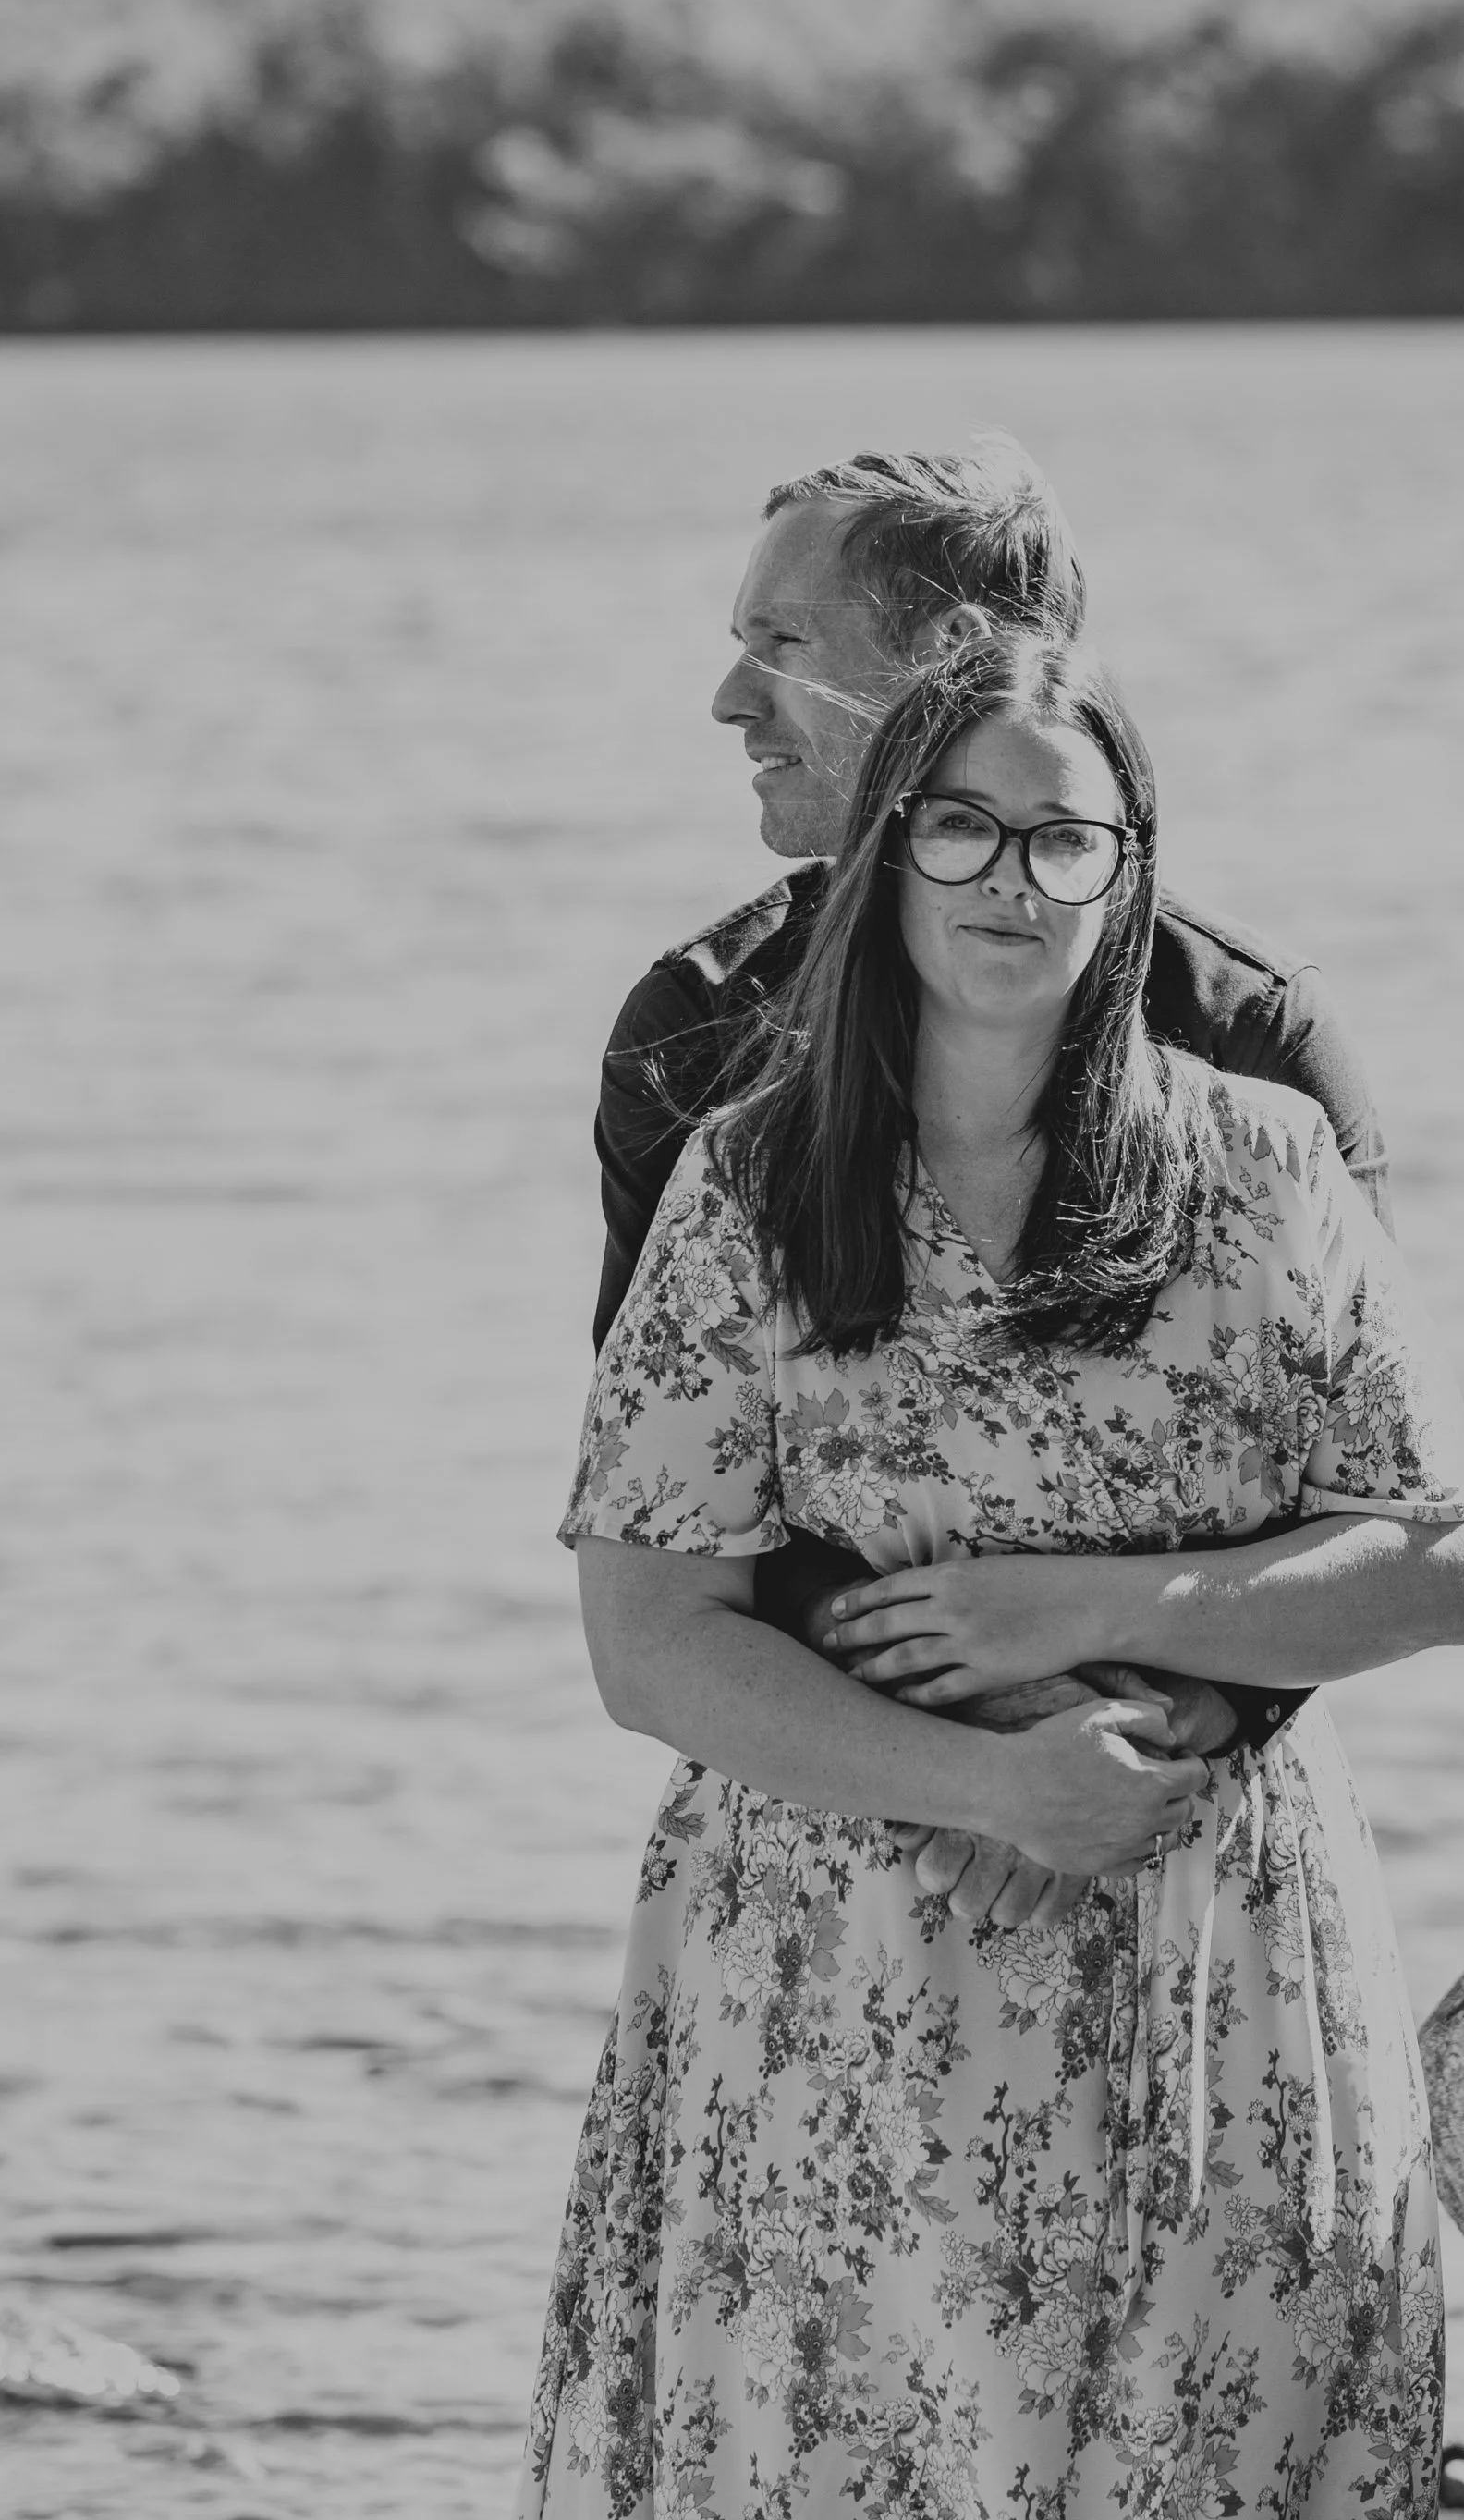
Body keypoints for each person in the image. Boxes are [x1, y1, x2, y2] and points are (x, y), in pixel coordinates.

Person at [518, 632, 1464, 2518]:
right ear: (884, 855)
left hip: (1211, 1968)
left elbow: (1437, 1565)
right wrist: (995, 1787)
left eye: (1066, 841)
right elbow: (648, 1643)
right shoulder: (746, 1188)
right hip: (824, 1999)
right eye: (962, 833)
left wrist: (1095, 1609)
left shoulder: (1262, 1164)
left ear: (1129, 872)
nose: (1010, 885)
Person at [593, 438, 1396, 1926]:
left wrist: (1170, 1726)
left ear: (948, 671)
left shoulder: (1254, 1045)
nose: (729, 700)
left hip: (1185, 1839)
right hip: (834, 1867)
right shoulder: (696, 1039)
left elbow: (1364, 1498)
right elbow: (681, 1533)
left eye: (783, 646)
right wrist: (974, 1773)